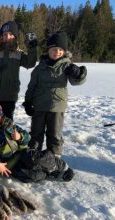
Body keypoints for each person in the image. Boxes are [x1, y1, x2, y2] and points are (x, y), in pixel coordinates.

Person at [0, 97, 74, 182]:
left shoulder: (9, 126)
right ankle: (48, 172)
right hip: (10, 164)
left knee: (38, 159)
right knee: (31, 176)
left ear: (1, 116)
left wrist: (20, 137)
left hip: (23, 153)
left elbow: (27, 137)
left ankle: (61, 166)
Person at [23, 31, 87, 159]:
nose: (57, 52)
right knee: (36, 132)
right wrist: (28, 101)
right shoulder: (39, 67)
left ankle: (54, 157)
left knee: (54, 133)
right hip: (39, 105)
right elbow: (32, 86)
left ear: (64, 51)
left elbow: (76, 82)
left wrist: (79, 74)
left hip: (56, 107)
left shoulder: (67, 66)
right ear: (48, 50)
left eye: (60, 49)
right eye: (54, 49)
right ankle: (33, 154)